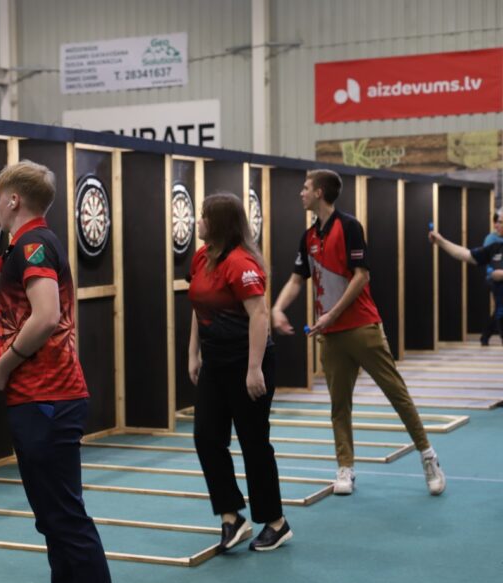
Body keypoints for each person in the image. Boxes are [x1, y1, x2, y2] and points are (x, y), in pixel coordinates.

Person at [0, 160, 134, 583]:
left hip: (49, 397)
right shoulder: (20, 246)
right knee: (54, 520)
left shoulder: (34, 246)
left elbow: (47, 316)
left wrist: (2, 366)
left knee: (67, 521)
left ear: (14, 199)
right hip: (37, 398)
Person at [270, 169, 445, 496]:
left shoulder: (349, 227)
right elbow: (297, 278)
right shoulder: (308, 237)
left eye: (305, 188)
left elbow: (361, 276)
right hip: (330, 335)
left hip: (363, 327)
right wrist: (277, 308)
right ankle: (345, 468)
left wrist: (332, 315)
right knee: (339, 405)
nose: (301, 193)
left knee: (397, 394)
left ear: (319, 192)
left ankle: (428, 456)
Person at [188, 193, 290, 552]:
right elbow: (198, 308)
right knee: (206, 437)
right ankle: (231, 517)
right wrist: (193, 353)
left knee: (253, 442)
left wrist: (253, 369)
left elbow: (259, 315)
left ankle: (276, 522)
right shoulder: (201, 258)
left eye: (203, 216)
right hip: (214, 362)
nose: (198, 222)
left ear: (219, 223)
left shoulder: (240, 263)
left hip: (246, 362)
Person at [429, 224, 503, 342]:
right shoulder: (495, 248)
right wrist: (441, 241)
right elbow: (466, 254)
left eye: (501, 221)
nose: (497, 225)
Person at [477, 208, 503, 345]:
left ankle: (485, 336)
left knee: (500, 308)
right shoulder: (491, 239)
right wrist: (493, 273)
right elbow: (487, 259)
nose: (498, 224)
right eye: (498, 222)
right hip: (494, 278)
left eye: (501, 222)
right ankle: (486, 336)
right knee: (500, 308)